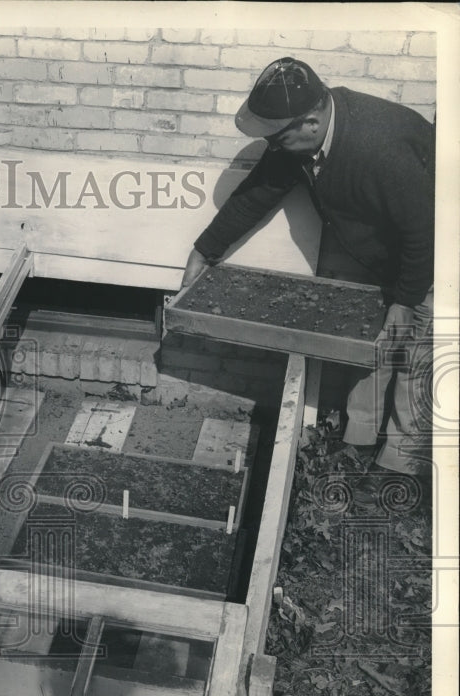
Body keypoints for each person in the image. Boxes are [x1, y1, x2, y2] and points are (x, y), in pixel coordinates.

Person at [182, 57, 435, 502]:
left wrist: (407, 298)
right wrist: (205, 250)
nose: (272, 147)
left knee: (414, 349)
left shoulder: (381, 147)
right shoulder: (294, 139)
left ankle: (400, 463)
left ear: (312, 122)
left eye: (276, 137)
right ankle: (358, 439)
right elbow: (256, 194)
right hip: (381, 248)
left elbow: (425, 229)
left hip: (434, 251)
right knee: (370, 343)